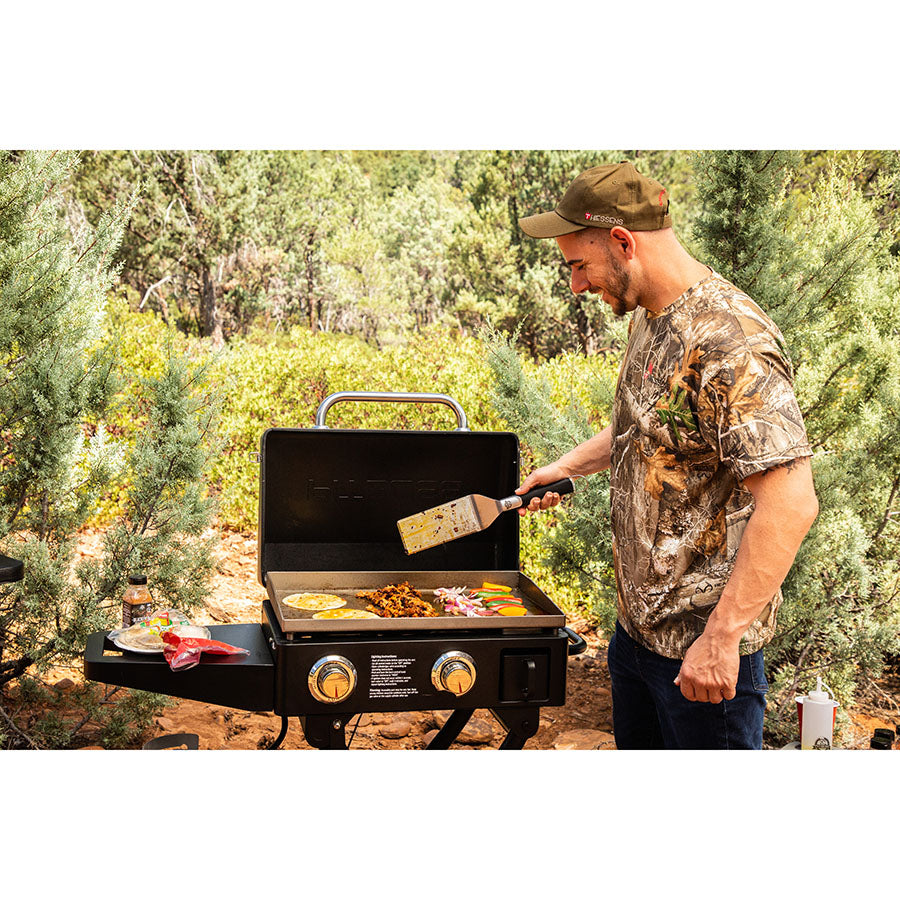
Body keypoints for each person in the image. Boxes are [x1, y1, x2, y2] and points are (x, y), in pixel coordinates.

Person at [516, 161, 819, 750]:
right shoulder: (655, 316)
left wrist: (722, 639)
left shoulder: (732, 344)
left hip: (700, 664)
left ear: (624, 243)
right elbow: (652, 427)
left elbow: (791, 504)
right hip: (637, 642)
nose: (576, 285)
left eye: (579, 265)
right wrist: (569, 466)